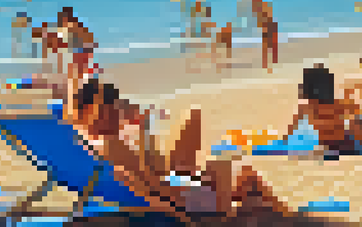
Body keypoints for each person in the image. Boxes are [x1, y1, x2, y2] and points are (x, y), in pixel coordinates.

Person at [72, 79, 287, 216]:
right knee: (225, 168)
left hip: (175, 195)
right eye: (115, 107)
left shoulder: (101, 146)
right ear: (101, 113)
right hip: (180, 202)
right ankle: (230, 216)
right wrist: (187, 193)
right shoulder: (112, 146)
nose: (120, 111)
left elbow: (151, 177)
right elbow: (153, 186)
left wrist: (145, 133)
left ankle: (282, 215)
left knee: (243, 176)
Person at [287, 64, 354, 154]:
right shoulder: (338, 105)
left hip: (330, 147)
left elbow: (290, 131)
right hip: (344, 144)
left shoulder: (309, 108)